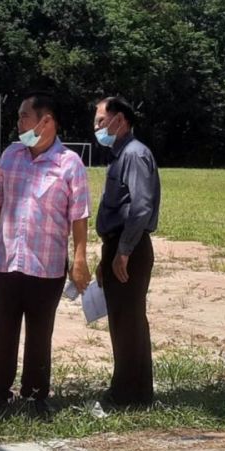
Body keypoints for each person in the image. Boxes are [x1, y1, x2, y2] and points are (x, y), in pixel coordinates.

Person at [0, 91, 91, 420]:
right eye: (18, 117)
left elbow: (79, 216)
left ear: (46, 121)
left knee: (40, 333)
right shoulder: (11, 155)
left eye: (24, 116)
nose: (19, 123)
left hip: (48, 264)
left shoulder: (70, 164)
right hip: (7, 260)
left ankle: (35, 396)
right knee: (1, 330)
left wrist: (80, 258)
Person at [93, 96, 161, 407]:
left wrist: (123, 251)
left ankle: (127, 395)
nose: (97, 128)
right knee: (122, 321)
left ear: (120, 120)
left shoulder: (134, 154)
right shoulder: (120, 155)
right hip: (118, 245)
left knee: (129, 322)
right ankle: (132, 392)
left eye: (101, 121)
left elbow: (140, 206)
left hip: (129, 247)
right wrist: (107, 255)